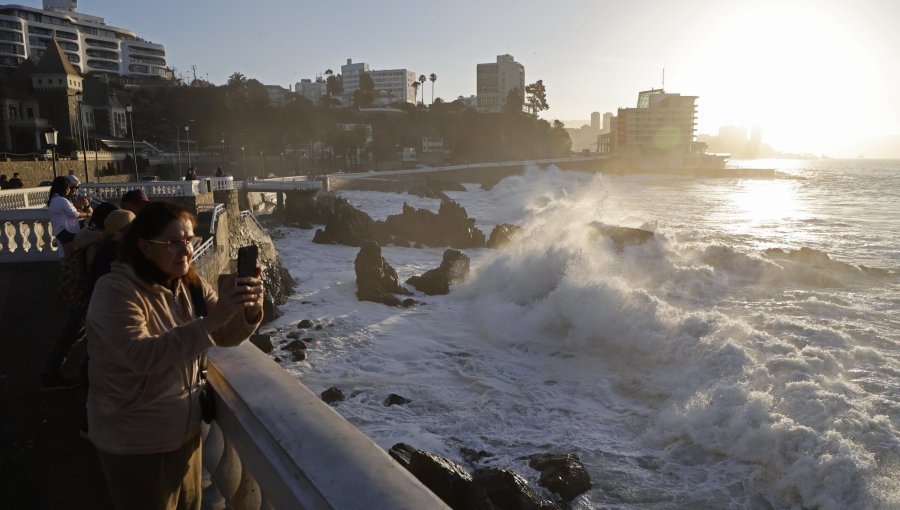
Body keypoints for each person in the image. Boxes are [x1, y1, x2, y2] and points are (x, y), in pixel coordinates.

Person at [86, 201, 263, 510]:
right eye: (174, 242)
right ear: (144, 247)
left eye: (190, 240)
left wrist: (248, 311)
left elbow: (223, 335)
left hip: (187, 434)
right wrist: (212, 320)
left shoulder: (189, 283)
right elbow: (139, 356)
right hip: (136, 443)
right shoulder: (114, 291)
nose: (186, 250)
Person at [47, 175, 90, 252]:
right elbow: (73, 214)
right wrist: (87, 214)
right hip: (66, 231)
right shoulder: (61, 200)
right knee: (71, 255)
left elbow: (72, 211)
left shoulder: (54, 199)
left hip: (61, 231)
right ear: (63, 188)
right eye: (69, 187)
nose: (69, 189)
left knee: (68, 255)